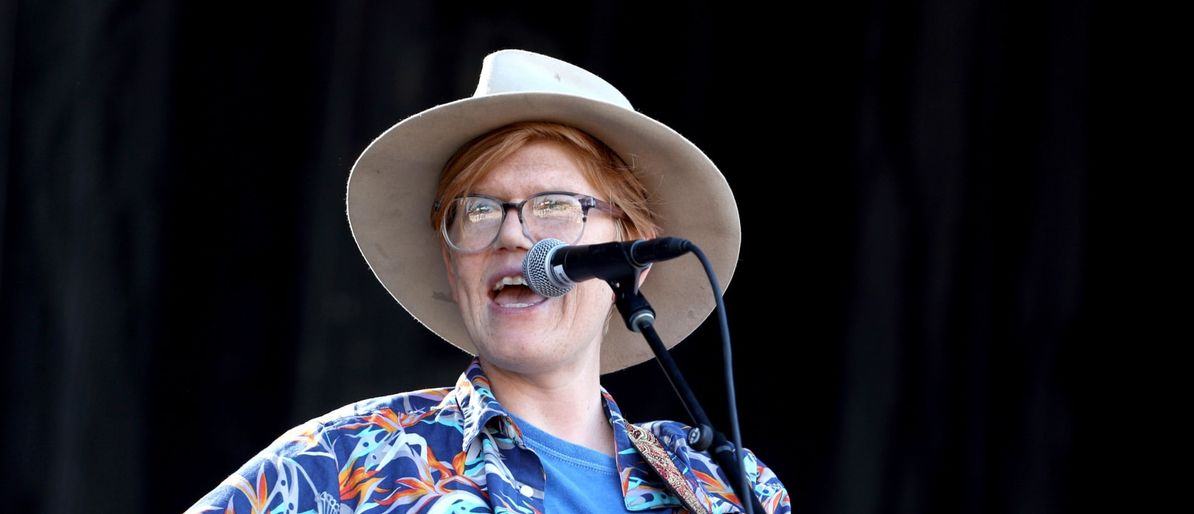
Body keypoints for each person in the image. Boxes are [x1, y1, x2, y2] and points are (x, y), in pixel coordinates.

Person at [186, 49, 791, 514]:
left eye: (554, 205)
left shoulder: (729, 484)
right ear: (453, 263)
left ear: (631, 256)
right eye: (477, 211)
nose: (512, 236)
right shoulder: (341, 464)